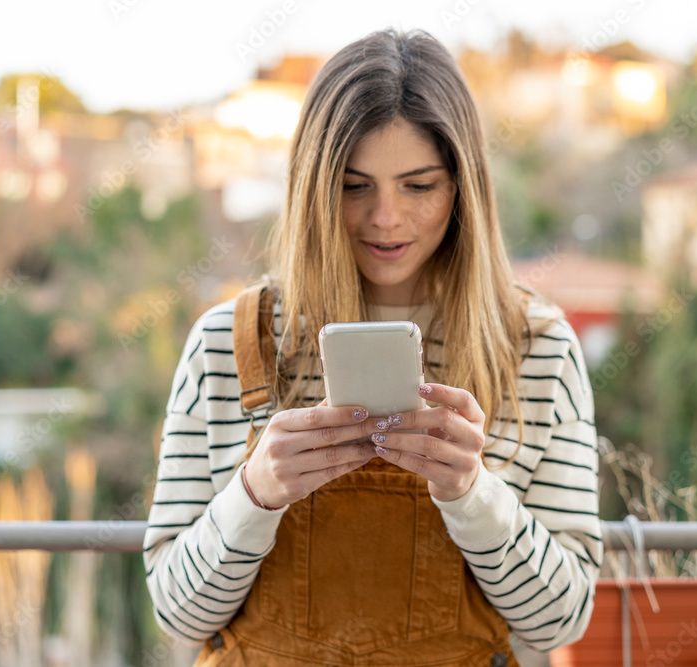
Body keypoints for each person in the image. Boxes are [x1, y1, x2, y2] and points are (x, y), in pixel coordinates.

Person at [144, 28, 602, 666]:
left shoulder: (538, 350)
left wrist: (474, 494)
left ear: (463, 189)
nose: (385, 217)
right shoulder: (227, 343)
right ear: (313, 187)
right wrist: (255, 493)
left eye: (419, 186)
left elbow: (560, 621)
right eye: (355, 186)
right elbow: (176, 615)